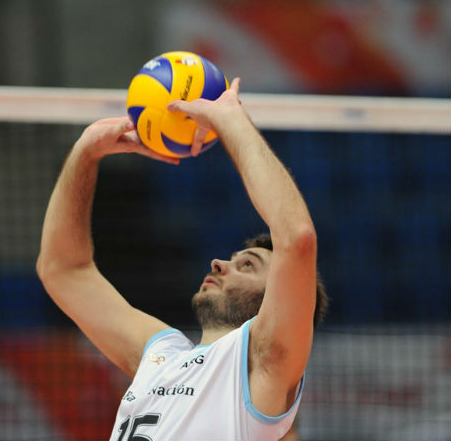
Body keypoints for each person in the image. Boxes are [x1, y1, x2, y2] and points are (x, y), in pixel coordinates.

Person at [36, 78, 328, 441]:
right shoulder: (162, 353)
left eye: (248, 265)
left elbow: (297, 238)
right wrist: (85, 153)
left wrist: (231, 121)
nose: (220, 263)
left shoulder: (264, 362)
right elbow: (63, 270)